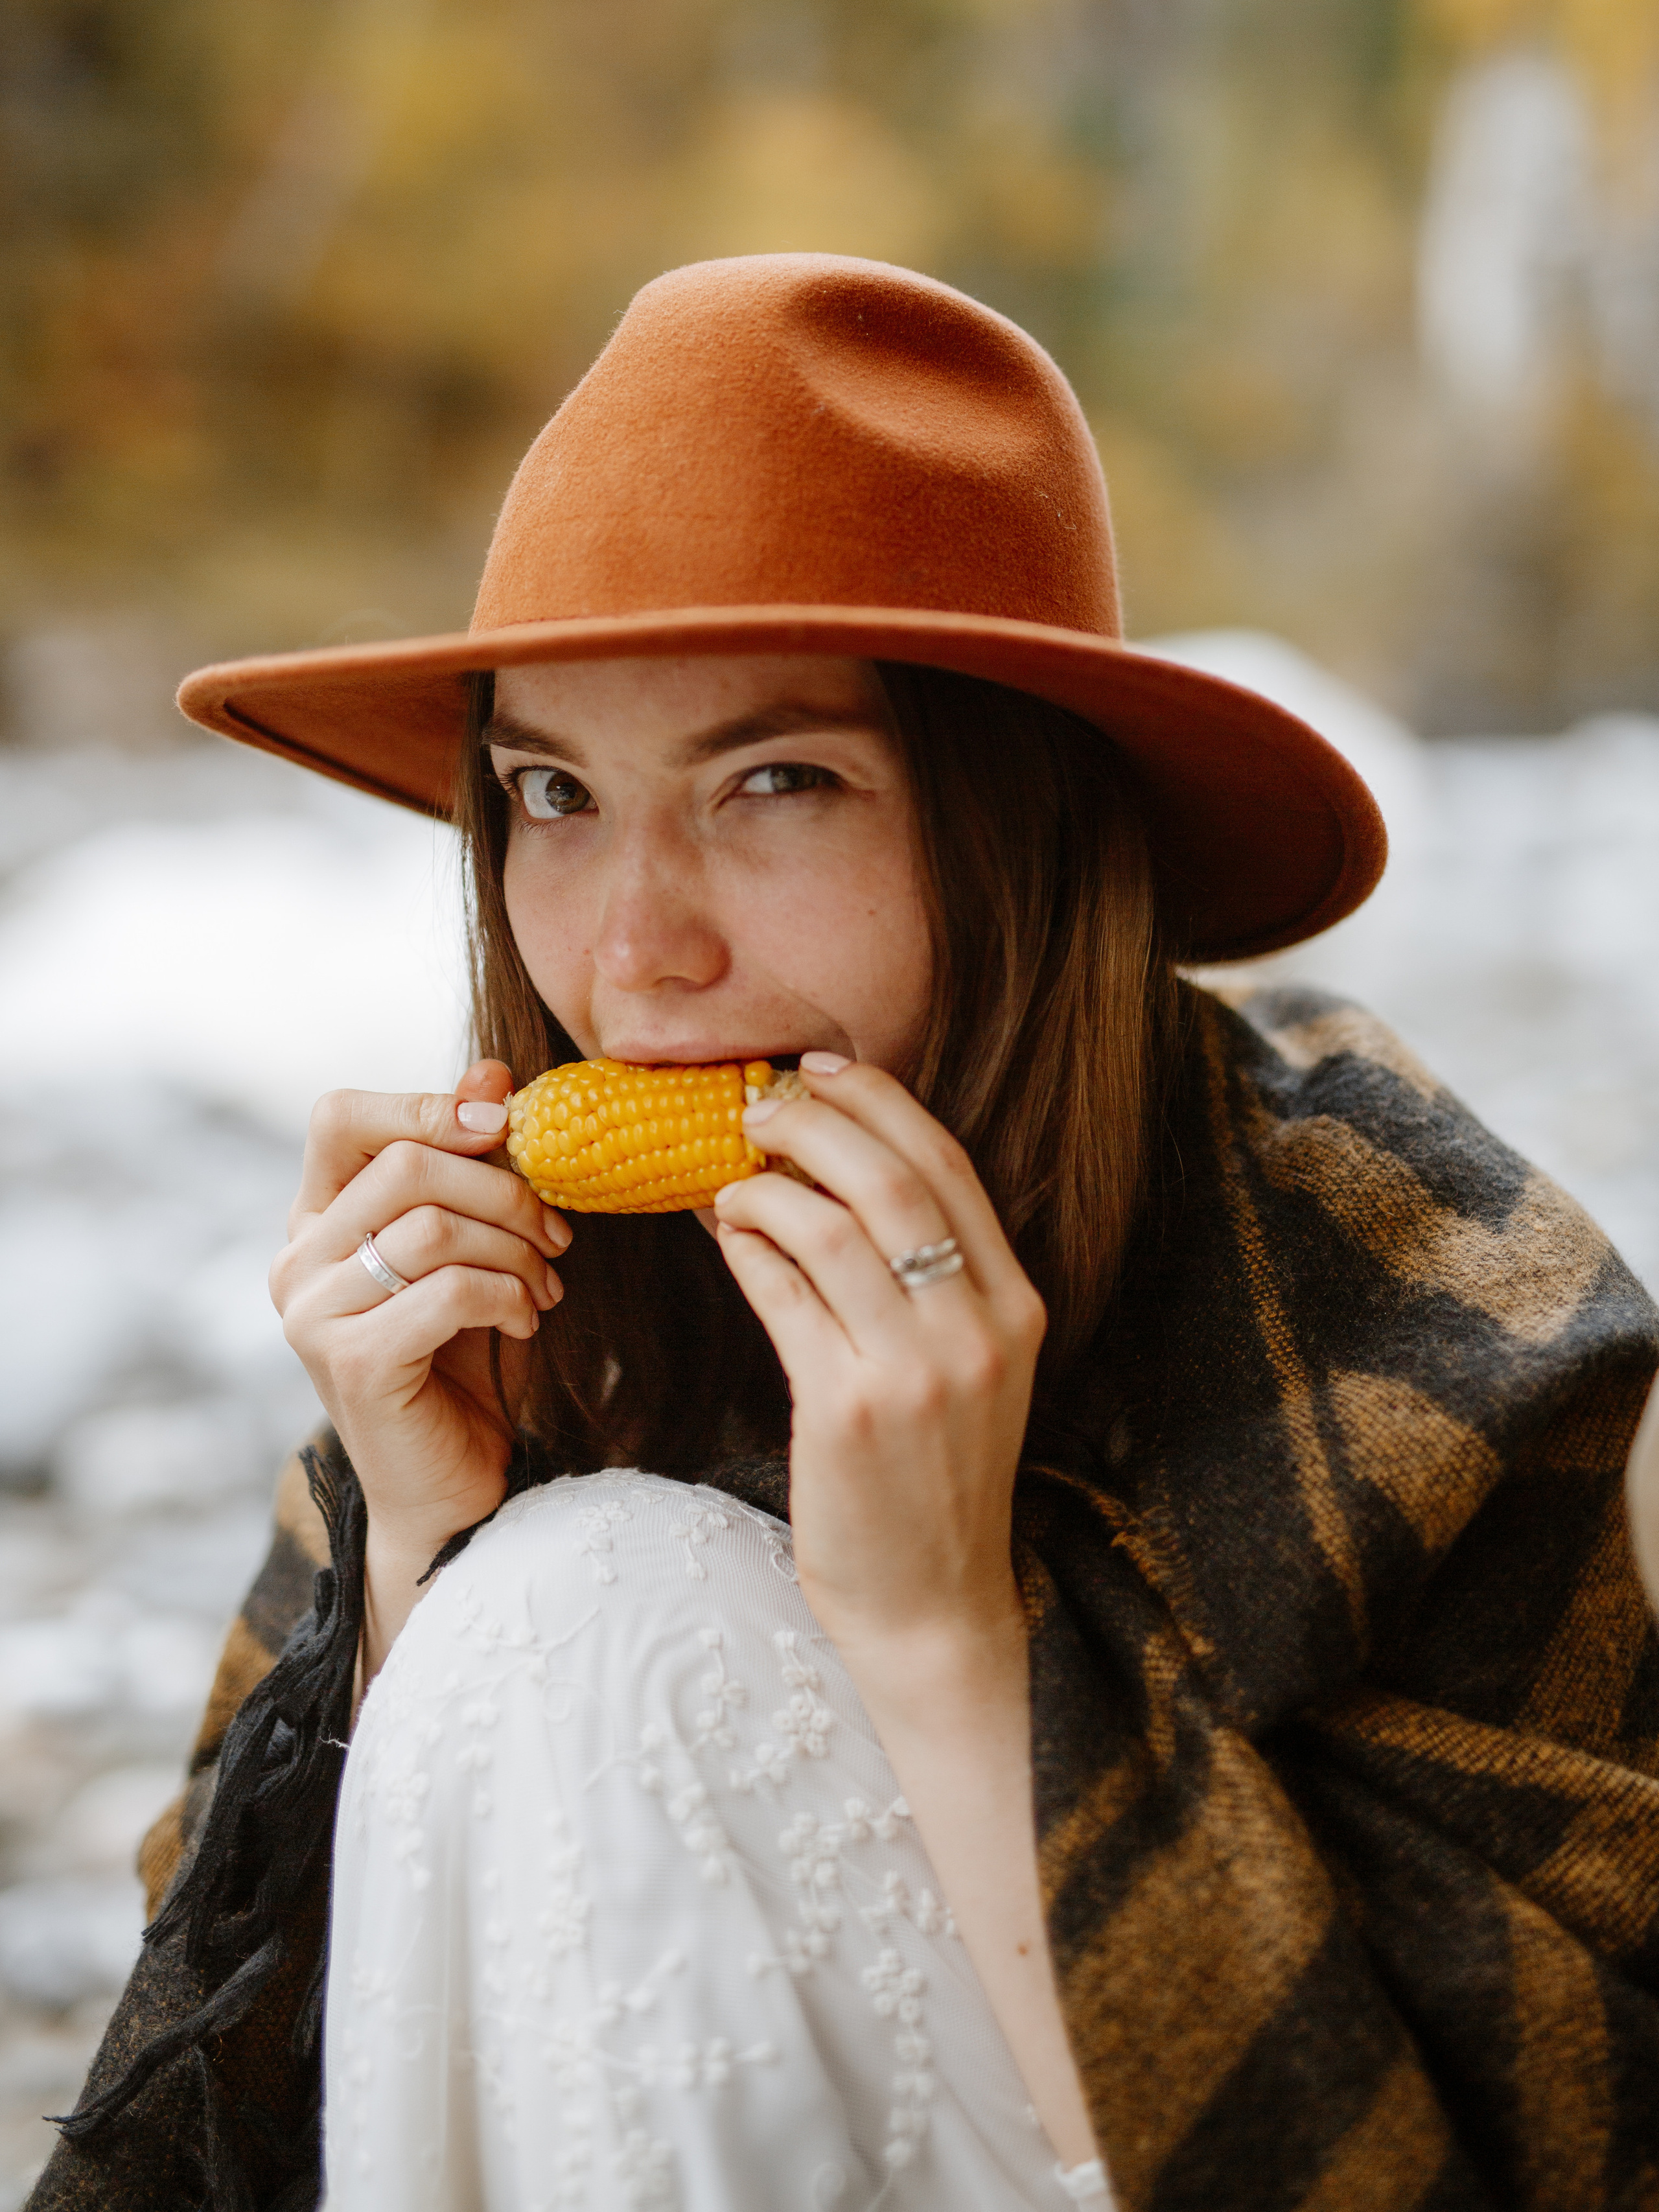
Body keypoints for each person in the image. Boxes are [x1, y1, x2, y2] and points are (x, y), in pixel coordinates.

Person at [32, 256, 1659, 2212]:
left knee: (585, 1598)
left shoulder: (1430, 1304)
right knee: (543, 1590)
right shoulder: (540, 1302)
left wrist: (950, 1636)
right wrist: (408, 1576)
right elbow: (246, 2055)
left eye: (773, 781)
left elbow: (1569, 2143)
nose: (634, 951)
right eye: (551, 792)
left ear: (1023, 831)